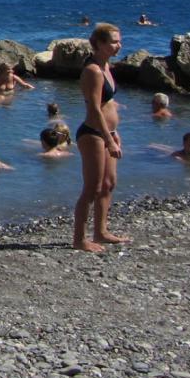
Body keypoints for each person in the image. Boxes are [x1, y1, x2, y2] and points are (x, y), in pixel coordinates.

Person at [73, 22, 129, 253]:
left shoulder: (107, 67)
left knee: (109, 184)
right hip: (94, 134)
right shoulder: (93, 70)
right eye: (114, 42)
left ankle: (101, 231)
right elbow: (95, 109)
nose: (119, 45)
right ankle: (79, 239)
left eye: (119, 41)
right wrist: (108, 138)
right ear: (99, 44)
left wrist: (116, 132)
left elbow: (109, 103)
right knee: (92, 188)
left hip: (109, 133)